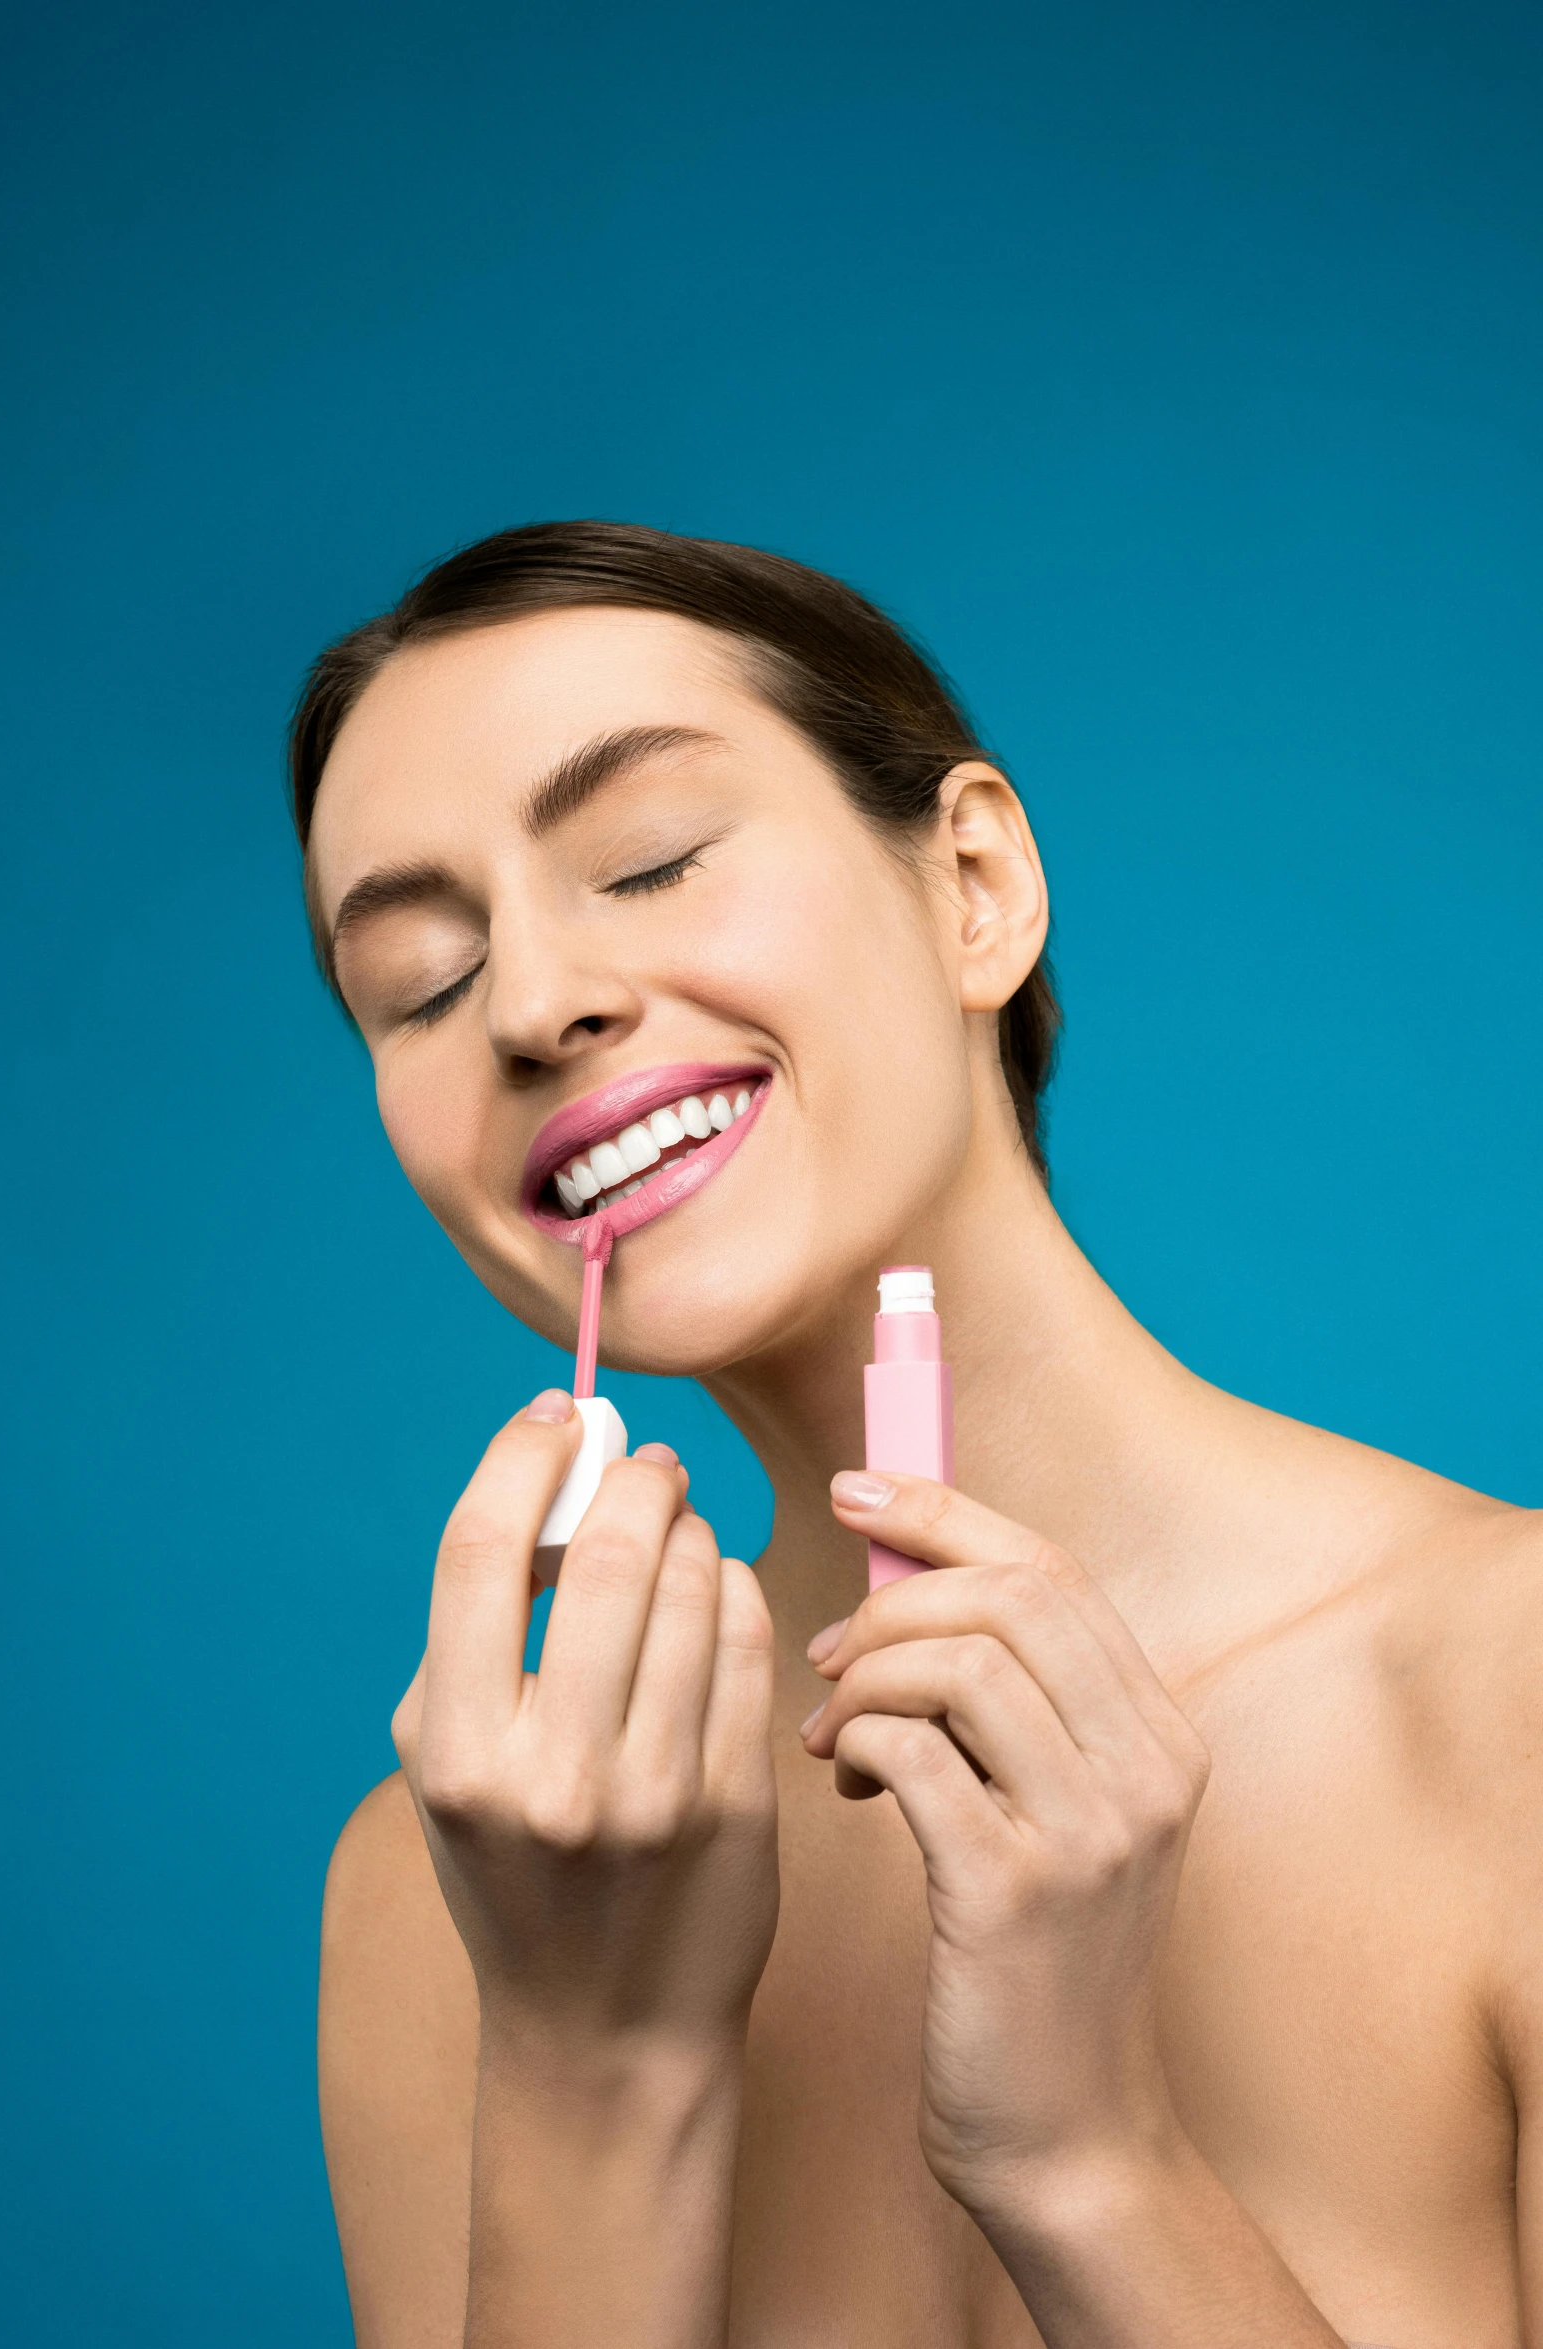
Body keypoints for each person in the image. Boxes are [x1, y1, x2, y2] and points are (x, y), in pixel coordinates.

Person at [299, 522, 1539, 2348]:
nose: (534, 1005)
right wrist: (591, 2077)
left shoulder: (1509, 1700)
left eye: (645, 860)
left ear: (972, 882)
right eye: (420, 979)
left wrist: (1090, 2160)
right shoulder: (447, 1898)